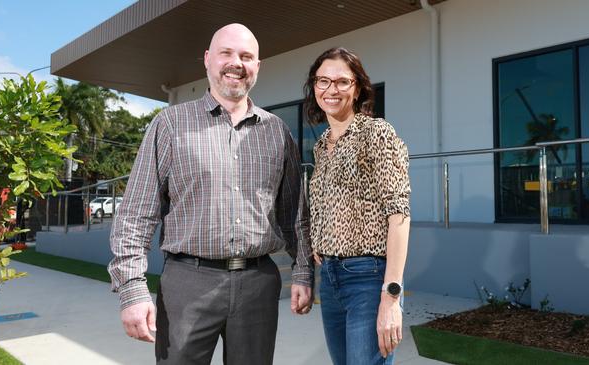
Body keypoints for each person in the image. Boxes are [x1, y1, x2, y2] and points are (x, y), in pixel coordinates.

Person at [108, 23, 314, 365]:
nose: (237, 63)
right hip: (187, 283)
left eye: (247, 56)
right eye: (226, 53)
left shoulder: (277, 132)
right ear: (207, 59)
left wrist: (304, 271)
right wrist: (132, 289)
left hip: (258, 285)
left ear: (257, 66)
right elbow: (135, 215)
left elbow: (295, 214)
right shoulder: (170, 124)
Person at [305, 47, 411, 365]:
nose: (331, 89)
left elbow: (399, 214)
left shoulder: (377, 133)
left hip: (368, 278)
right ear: (314, 86)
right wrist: (319, 240)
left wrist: (391, 296)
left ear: (358, 87)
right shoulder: (322, 145)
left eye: (342, 81)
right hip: (331, 278)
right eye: (323, 80)